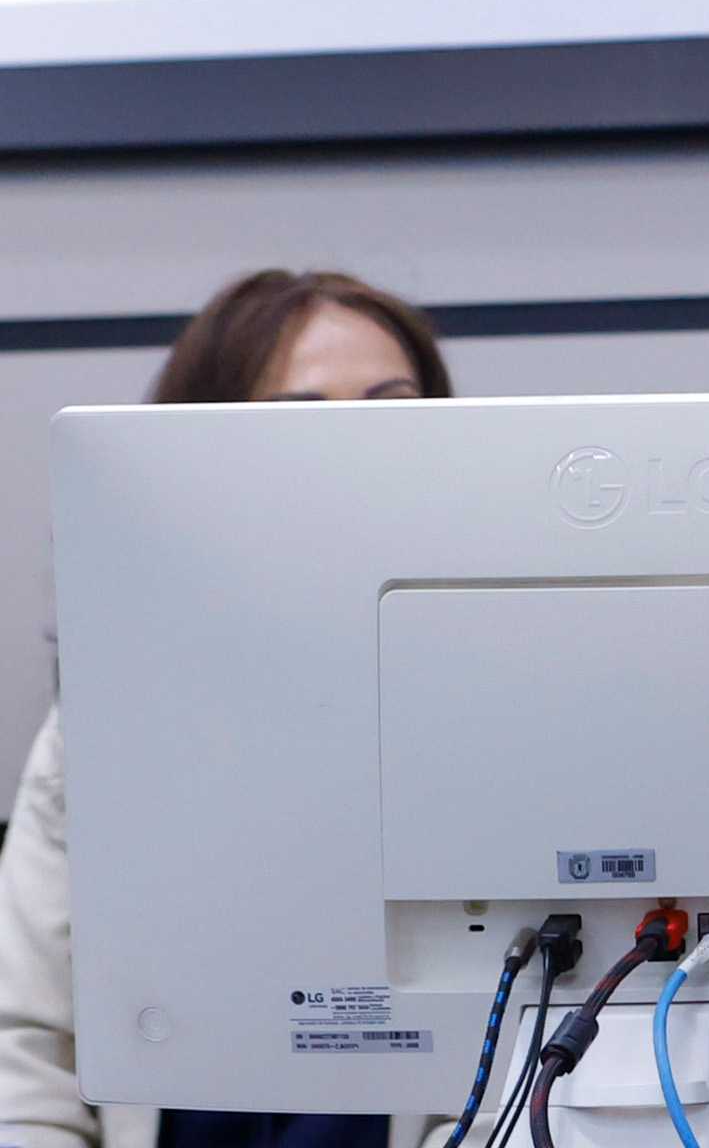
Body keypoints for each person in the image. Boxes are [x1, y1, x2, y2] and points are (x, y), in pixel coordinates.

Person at [0, 271, 456, 1148]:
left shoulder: (504, 721)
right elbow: (24, 1058)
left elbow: (528, 1064)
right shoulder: (97, 730)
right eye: (297, 418)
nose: (354, 451)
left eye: (392, 410)